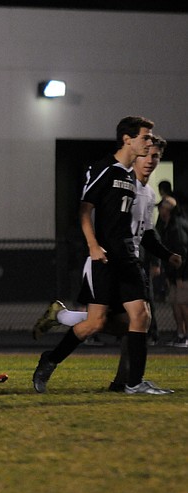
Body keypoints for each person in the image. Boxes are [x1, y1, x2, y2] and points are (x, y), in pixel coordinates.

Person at [32, 116, 172, 395]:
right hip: (104, 259)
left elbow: (137, 229)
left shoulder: (133, 179)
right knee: (96, 323)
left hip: (127, 259)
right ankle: (51, 359)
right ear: (127, 139)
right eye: (146, 137)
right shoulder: (105, 168)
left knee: (140, 316)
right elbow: (84, 209)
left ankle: (133, 382)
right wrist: (93, 245)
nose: (149, 143)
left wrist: (163, 253)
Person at [158, 195, 188, 347]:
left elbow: (182, 251)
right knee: (176, 304)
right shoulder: (168, 226)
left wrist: (181, 276)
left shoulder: (176, 226)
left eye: (162, 207)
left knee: (183, 304)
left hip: (181, 275)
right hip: (174, 274)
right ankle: (180, 333)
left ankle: (186, 335)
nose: (160, 210)